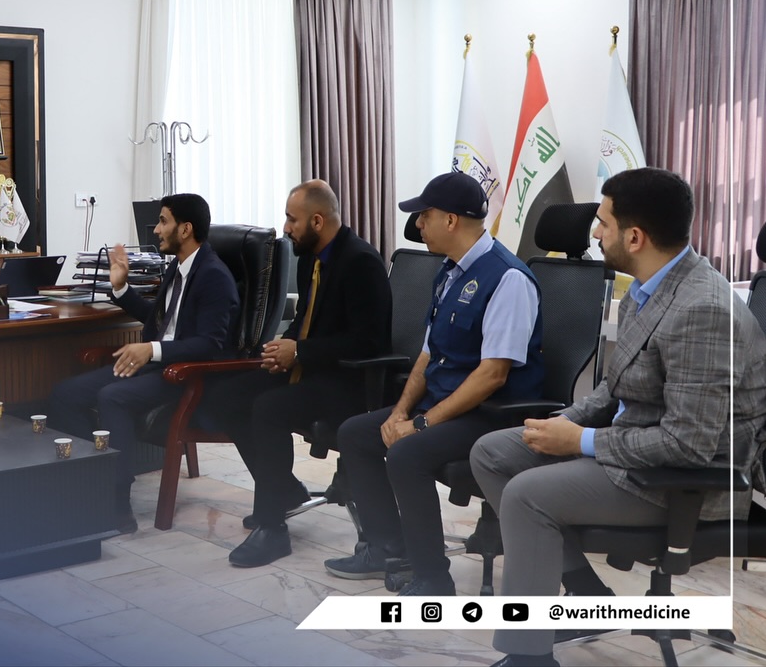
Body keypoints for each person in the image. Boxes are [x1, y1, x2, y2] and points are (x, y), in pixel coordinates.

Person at [470, 168, 766, 667]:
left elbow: (688, 445)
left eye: (603, 222)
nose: (595, 232)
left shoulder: (704, 309)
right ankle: (587, 594)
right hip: (638, 450)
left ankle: (528, 657)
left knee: (526, 495)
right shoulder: (649, 287)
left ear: (635, 237)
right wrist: (562, 424)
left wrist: (580, 442)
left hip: (685, 483)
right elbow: (615, 387)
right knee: (493, 452)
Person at [324, 171, 544, 596]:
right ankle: (389, 549)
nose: (418, 224)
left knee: (406, 453)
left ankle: (432, 578)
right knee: (356, 433)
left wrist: (420, 425)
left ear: (450, 220)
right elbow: (428, 354)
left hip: (492, 416)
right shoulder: (449, 272)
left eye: (424, 215)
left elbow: (493, 375)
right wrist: (400, 413)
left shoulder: (508, 279)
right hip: (448, 406)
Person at [203, 180, 392, 568]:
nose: (286, 228)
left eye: (292, 219)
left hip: (349, 383)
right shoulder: (311, 258)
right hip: (312, 369)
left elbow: (369, 342)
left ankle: (272, 528)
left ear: (317, 221)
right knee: (225, 396)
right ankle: (284, 490)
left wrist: (301, 352)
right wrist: (283, 348)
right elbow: (306, 320)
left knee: (269, 407)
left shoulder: (361, 262)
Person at [48, 193, 239, 534]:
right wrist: (121, 288)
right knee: (65, 394)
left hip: (185, 374)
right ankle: (93, 480)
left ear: (185, 229)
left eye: (163, 221)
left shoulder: (214, 276)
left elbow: (211, 344)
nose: (156, 230)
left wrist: (151, 350)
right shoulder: (178, 267)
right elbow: (162, 320)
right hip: (159, 365)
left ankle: (118, 503)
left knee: (113, 397)